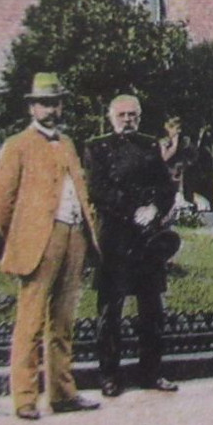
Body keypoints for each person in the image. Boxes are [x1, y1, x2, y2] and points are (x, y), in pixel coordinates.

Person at [0, 73, 101, 420]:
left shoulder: (67, 143)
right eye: (44, 103)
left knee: (64, 320)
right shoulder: (17, 145)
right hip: (40, 240)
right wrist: (22, 235)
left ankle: (63, 392)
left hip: (74, 235)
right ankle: (24, 397)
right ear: (32, 107)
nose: (50, 109)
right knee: (31, 321)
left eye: (55, 102)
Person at [85, 94, 181, 398]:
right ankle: (109, 375)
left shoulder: (150, 145)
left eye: (133, 115)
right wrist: (132, 211)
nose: (128, 120)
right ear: (111, 117)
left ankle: (151, 372)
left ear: (140, 117)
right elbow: (98, 190)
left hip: (147, 240)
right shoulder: (96, 147)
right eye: (123, 115)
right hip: (115, 238)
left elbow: (166, 185)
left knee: (152, 308)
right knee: (110, 311)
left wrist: (153, 209)